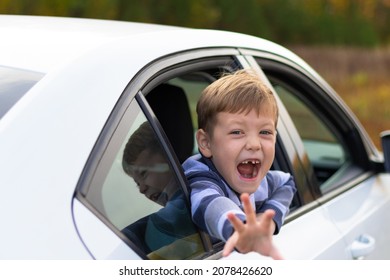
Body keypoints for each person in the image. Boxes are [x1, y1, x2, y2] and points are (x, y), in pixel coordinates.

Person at [182, 69, 296, 259]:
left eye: (265, 132)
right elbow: (210, 204)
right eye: (237, 132)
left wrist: (269, 219)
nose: (254, 144)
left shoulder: (263, 181)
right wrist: (240, 229)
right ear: (206, 143)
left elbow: (287, 183)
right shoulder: (201, 176)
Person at [121, 121, 201, 259]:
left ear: (169, 156)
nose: (141, 188)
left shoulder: (193, 196)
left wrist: (122, 240)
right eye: (137, 183)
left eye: (144, 173)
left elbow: (174, 214)